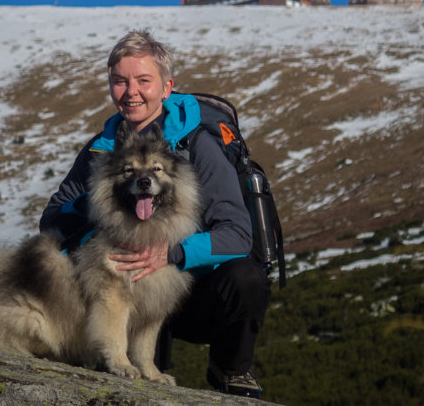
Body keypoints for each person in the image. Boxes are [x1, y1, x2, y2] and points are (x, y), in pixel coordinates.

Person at [40, 29, 271, 399]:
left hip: (194, 291)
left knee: (246, 277)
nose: (131, 92)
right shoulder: (101, 150)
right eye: (120, 81)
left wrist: (172, 253)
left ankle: (232, 368)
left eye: (143, 80)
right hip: (130, 294)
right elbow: (52, 218)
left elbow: (238, 234)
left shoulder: (199, 145)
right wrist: (101, 207)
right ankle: (125, 362)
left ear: (166, 87)